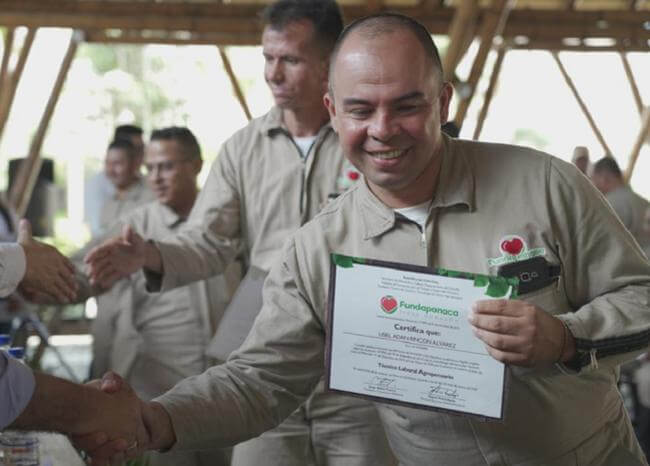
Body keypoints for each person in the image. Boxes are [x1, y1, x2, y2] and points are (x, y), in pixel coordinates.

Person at [81, 12, 650, 466]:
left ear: (444, 102)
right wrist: (158, 419)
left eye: (407, 105)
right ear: (332, 111)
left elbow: (640, 296)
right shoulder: (319, 249)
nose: (382, 130)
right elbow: (259, 379)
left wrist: (567, 338)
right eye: (360, 109)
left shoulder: (544, 185)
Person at [85, 2, 393, 466]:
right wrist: (149, 254)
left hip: (359, 378)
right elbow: (208, 243)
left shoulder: (371, 140)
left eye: (290, 59)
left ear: (330, 62)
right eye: (267, 58)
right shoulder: (244, 149)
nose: (274, 73)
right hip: (270, 370)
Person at [97, 127, 238, 466]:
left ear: (197, 165)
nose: (156, 178)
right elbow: (84, 273)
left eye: (167, 167)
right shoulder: (134, 227)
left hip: (226, 383)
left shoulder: (227, 221)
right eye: (150, 169)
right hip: (161, 386)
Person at [85, 125, 146, 237]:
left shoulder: (151, 192)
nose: (142, 155)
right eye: (137, 149)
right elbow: (99, 235)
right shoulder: (103, 191)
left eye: (142, 149)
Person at [591, 156, 650, 257]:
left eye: (594, 178)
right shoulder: (644, 202)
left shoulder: (607, 205)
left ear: (604, 178)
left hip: (628, 269)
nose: (593, 184)